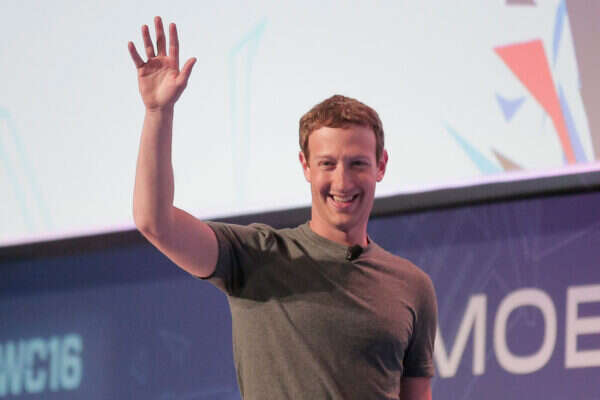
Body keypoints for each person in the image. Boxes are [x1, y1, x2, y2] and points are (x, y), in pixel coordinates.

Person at [129, 16, 437, 400]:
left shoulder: (412, 286)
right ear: (306, 166)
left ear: (381, 165)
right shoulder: (255, 256)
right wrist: (158, 113)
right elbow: (155, 222)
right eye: (327, 164)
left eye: (357, 163)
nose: (342, 181)